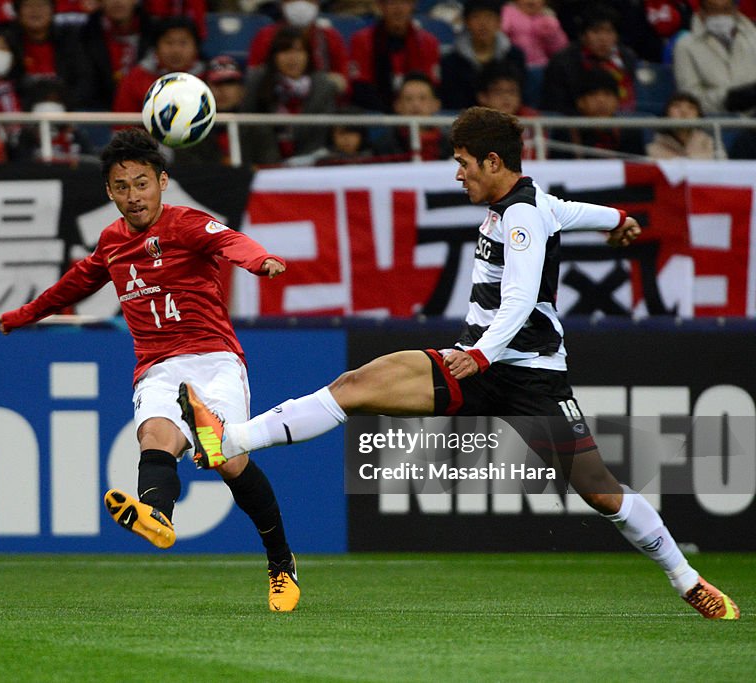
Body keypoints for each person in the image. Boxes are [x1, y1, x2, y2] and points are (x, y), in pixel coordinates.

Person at [180, 106, 741, 623]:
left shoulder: (520, 218)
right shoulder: (529, 204)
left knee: (601, 493)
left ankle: (686, 578)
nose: (458, 175)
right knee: (354, 385)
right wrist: (616, 216)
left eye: (463, 164)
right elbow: (570, 211)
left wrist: (479, 353)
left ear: (492, 162)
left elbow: (520, 302)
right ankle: (229, 441)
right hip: (475, 361)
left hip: (529, 375)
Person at [0, 128, 302, 613]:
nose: (133, 197)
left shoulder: (186, 224)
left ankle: (281, 564)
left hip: (213, 360)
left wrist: (259, 261)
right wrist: (21, 315)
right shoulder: (112, 242)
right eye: (122, 187)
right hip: (156, 367)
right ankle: (157, 515)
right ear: (108, 192)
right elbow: (73, 285)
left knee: (226, 459)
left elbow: (232, 241)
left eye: (142, 184)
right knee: (155, 435)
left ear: (162, 182)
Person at [239, 26, 338, 167]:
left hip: (310, 165)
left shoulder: (323, 86)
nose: (293, 58)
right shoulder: (258, 81)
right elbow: (246, 129)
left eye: (299, 51)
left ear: (308, 55)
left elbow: (321, 135)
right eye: (285, 51)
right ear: (274, 56)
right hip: (264, 166)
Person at [541, 5, 639, 114]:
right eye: (596, 32)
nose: (603, 39)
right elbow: (555, 106)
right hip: (576, 123)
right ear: (583, 36)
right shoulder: (563, 62)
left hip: (624, 122)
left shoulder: (627, 58)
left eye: (609, 32)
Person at [349, 0, 441, 113]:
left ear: (413, 5)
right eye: (392, 2)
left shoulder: (428, 43)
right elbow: (360, 89)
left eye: (404, 2)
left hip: (417, 114)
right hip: (376, 115)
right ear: (380, 6)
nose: (398, 9)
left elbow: (430, 88)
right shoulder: (362, 40)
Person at [439, 0, 527, 111]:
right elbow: (452, 103)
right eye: (476, 17)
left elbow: (521, 97)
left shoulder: (515, 57)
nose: (483, 23)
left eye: (489, 17)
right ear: (466, 22)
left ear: (499, 22)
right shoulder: (451, 62)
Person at [672, 0, 756, 116]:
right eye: (713, 9)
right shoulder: (685, 45)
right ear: (701, 12)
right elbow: (689, 99)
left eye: (725, 9)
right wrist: (728, 98)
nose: (720, 15)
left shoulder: (753, 38)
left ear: (735, 10)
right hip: (716, 124)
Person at [646, 91, 722, 159]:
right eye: (677, 106)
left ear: (699, 115)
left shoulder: (710, 144)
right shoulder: (654, 147)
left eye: (691, 107)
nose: (684, 111)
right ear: (666, 113)